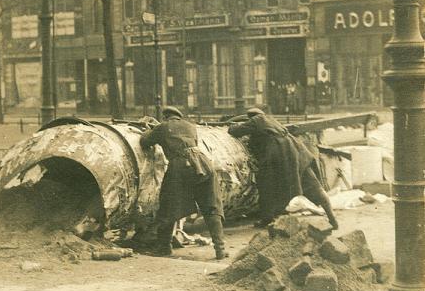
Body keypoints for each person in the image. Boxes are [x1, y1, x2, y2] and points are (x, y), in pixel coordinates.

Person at [139, 106, 228, 259]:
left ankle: (164, 247)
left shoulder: (163, 127)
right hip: (204, 164)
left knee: (168, 206)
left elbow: (145, 141)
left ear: (165, 117)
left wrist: (150, 130)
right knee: (211, 206)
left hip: (180, 166)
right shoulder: (191, 126)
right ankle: (220, 249)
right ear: (178, 117)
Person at [228, 107, 338, 230]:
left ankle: (267, 218)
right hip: (297, 151)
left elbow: (235, 131)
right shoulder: (273, 121)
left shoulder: (257, 120)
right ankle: (332, 217)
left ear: (251, 116)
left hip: (279, 153)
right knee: (313, 185)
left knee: (266, 184)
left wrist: (233, 126)